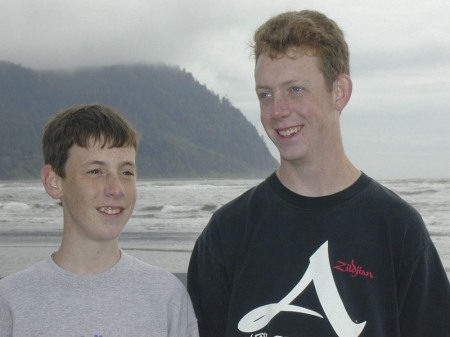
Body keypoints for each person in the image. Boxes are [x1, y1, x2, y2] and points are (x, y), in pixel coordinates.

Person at [187, 10, 450, 337]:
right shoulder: (227, 233)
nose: (277, 111)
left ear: (339, 91)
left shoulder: (397, 230)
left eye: (295, 89)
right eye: (265, 94)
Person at [0, 104, 199, 337]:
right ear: (54, 182)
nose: (116, 189)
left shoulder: (166, 296)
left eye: (126, 173)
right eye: (95, 171)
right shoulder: (11, 301)